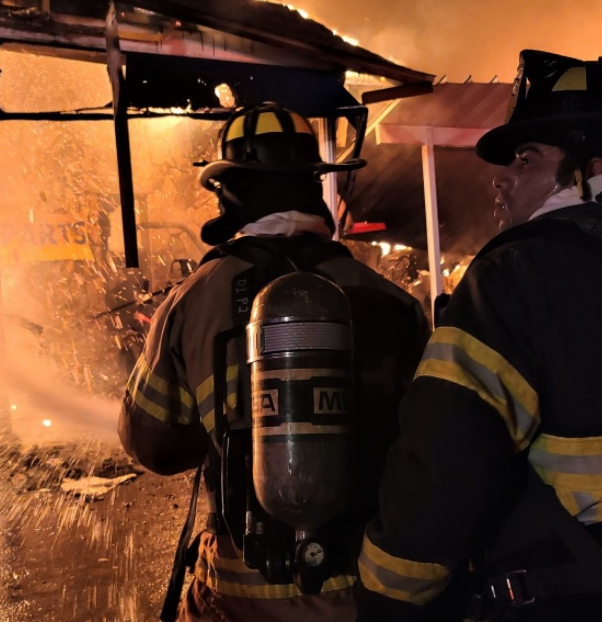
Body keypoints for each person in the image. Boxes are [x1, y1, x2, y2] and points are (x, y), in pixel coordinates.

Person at [354, 50, 602, 622]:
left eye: (525, 157)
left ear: (590, 171)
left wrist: (385, 593)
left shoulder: (513, 278)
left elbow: (444, 464)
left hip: (566, 597)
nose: (502, 178)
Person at [119, 102, 430, 622]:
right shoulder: (395, 302)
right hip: (368, 587)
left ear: (230, 192)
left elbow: (153, 446)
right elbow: (431, 448)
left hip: (242, 594)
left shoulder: (191, 300)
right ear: (312, 184)